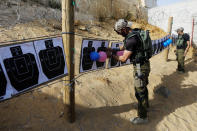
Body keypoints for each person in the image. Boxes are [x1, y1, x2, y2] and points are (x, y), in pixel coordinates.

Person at [107, 19, 151, 124]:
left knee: (139, 91)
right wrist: (113, 50)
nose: (118, 34)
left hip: (140, 68)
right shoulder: (134, 33)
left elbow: (123, 59)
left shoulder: (131, 40)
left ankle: (143, 117)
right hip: (145, 65)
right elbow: (124, 48)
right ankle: (145, 106)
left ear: (123, 29)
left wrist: (111, 55)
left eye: (119, 32)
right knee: (143, 87)